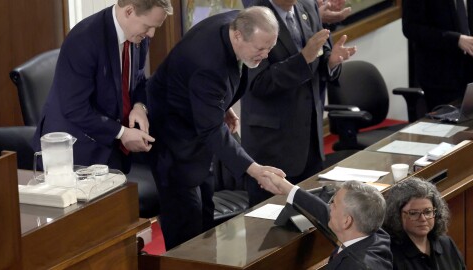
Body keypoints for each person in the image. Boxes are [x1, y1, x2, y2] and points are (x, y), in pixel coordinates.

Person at [146, 6, 286, 250]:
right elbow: (211, 128)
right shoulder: (208, 64)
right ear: (239, 36)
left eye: (270, 48)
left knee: (206, 215)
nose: (265, 55)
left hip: (195, 119)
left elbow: (216, 91)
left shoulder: (238, 21)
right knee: (187, 223)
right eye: (260, 49)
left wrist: (221, 105)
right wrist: (255, 170)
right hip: (173, 135)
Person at [33, 0, 173, 172]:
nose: (151, 34)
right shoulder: (84, 39)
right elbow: (75, 108)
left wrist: (139, 107)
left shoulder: (139, 35)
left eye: (155, 27)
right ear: (129, 11)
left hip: (111, 144)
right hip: (74, 151)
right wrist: (122, 133)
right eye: (148, 26)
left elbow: (138, 80)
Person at [241, 0, 356, 206]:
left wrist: (331, 62)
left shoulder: (308, 5)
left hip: (310, 140)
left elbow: (322, 53)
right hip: (273, 147)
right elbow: (258, 84)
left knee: (314, 220)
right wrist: (303, 59)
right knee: (271, 228)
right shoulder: (253, 15)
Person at [262, 172, 393, 269]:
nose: (329, 207)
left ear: (347, 221)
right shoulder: (376, 235)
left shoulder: (354, 266)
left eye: (334, 204)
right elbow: (324, 212)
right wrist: (286, 187)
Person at [403, 0, 473, 111]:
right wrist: (456, 40)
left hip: (469, 71)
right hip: (441, 75)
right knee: (450, 125)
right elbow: (411, 28)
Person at [383, 177, 466, 269]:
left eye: (428, 212)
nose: (423, 219)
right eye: (413, 213)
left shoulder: (446, 244)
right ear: (397, 215)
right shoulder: (389, 254)